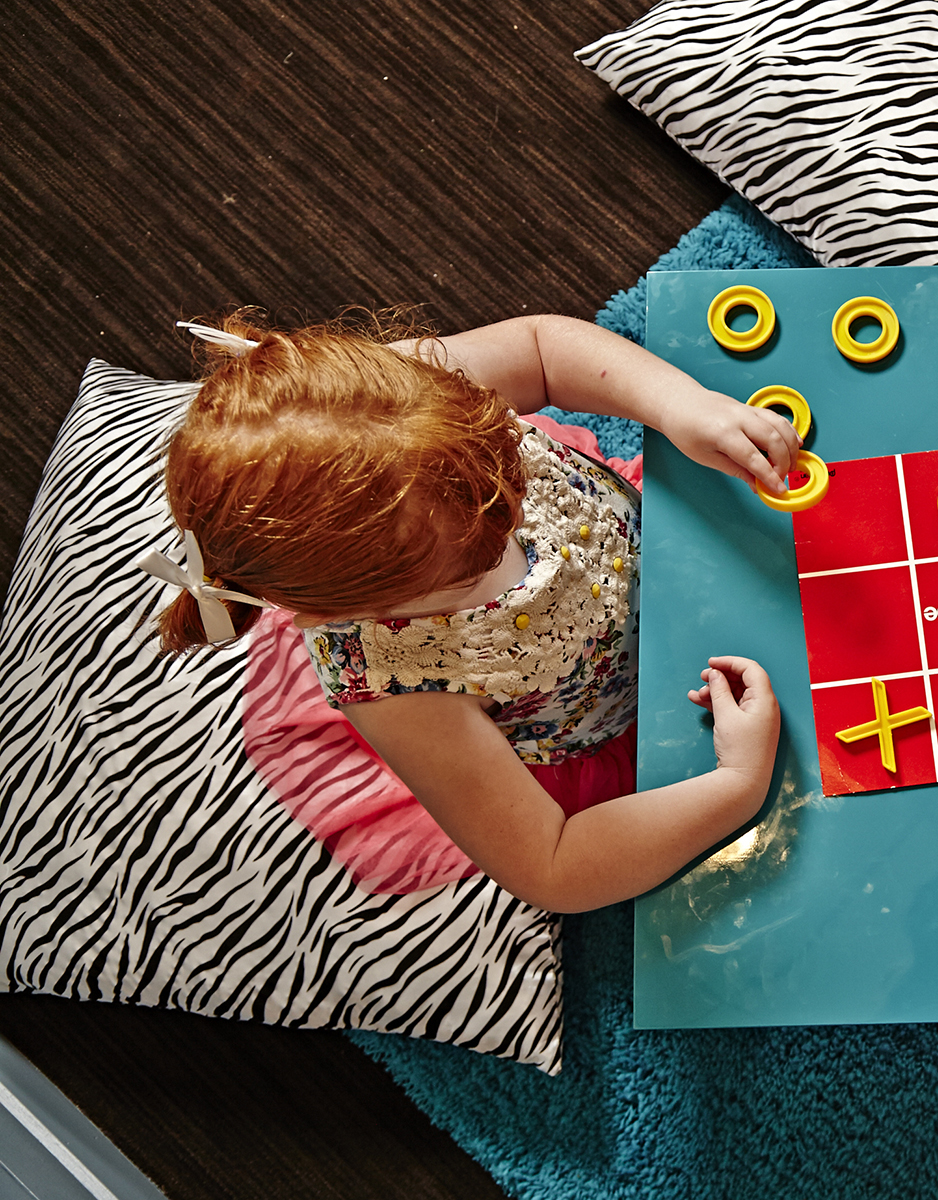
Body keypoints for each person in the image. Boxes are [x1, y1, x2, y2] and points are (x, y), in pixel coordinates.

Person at [142, 311, 800, 912]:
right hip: (614, 718)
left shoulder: (388, 402)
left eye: (498, 451)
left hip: (645, 550)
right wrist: (736, 785)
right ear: (375, 607)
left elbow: (540, 350)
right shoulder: (400, 691)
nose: (512, 506)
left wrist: (681, 404)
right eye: (476, 557)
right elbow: (553, 865)